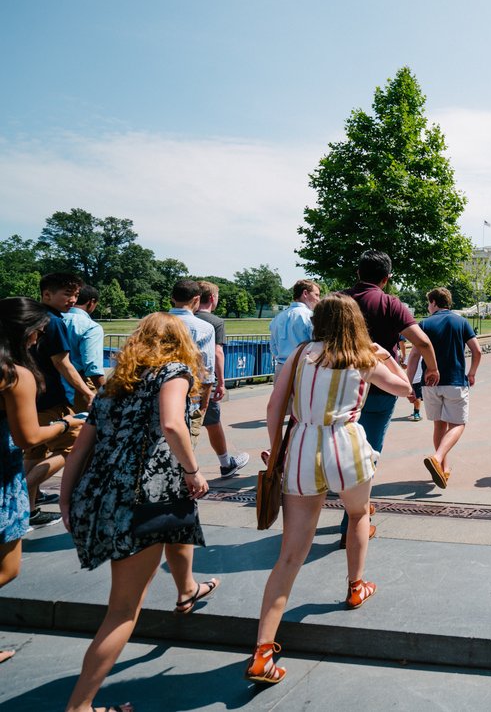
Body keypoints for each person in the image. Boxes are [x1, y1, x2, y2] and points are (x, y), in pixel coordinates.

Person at [246, 294, 417, 685]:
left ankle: (262, 651)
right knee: (358, 514)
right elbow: (405, 388)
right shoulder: (361, 357)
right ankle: (357, 586)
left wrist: (275, 450)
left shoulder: (302, 354)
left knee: (290, 555)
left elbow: (275, 405)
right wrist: (385, 353)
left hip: (304, 447)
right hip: (347, 447)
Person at [59, 312, 217, 712]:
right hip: (146, 495)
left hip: (106, 490)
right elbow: (172, 424)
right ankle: (80, 705)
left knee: (180, 525)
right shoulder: (174, 371)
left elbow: (81, 447)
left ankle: (187, 588)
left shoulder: (115, 382)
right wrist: (193, 470)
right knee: (123, 610)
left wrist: (66, 498)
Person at [0, 298, 87, 665]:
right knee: (7, 568)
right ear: (25, 331)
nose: (39, 339)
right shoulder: (14, 374)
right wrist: (70, 424)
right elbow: (29, 437)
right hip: (2, 477)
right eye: (38, 331)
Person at [339, 251, 438, 543]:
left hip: (339, 385)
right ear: (386, 278)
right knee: (367, 452)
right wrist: (432, 369)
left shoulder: (339, 300)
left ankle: (342, 513)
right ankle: (353, 521)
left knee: (339, 448)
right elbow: (422, 341)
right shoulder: (390, 303)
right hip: (379, 386)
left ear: (358, 273)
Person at [25, 273, 94, 527]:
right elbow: (63, 364)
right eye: (67, 294)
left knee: (35, 451)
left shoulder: (29, 318)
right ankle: (24, 490)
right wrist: (87, 394)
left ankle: (29, 510)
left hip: (30, 399)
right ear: (46, 294)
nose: (72, 300)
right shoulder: (53, 322)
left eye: (75, 295)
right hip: (52, 399)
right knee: (72, 447)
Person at [406, 288, 482, 489]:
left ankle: (443, 468)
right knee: (458, 424)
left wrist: (409, 384)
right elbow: (477, 350)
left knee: (439, 425)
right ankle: (438, 457)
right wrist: (472, 372)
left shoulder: (425, 324)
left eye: (428, 303)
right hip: (455, 381)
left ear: (433, 302)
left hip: (430, 384)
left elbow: (413, 356)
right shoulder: (461, 322)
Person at [196, 281, 250, 479]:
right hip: (204, 380)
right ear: (212, 298)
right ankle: (225, 463)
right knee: (212, 422)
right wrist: (221, 382)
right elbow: (218, 352)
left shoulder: (182, 318)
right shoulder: (215, 321)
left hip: (180, 380)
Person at [167, 279, 217, 440]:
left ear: (173, 298)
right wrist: (205, 403)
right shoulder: (203, 328)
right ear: (196, 299)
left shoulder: (154, 322)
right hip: (189, 396)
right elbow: (206, 369)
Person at [61, 283, 105, 413]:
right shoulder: (91, 327)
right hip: (80, 385)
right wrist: (106, 393)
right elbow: (92, 367)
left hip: (51, 382)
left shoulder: (53, 319)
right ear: (91, 302)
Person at [269, 279, 321, 372]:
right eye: (316, 295)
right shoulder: (310, 316)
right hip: (303, 369)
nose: (318, 299)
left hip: (281, 368)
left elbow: (273, 347)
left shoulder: (277, 318)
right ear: (305, 293)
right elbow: (318, 345)